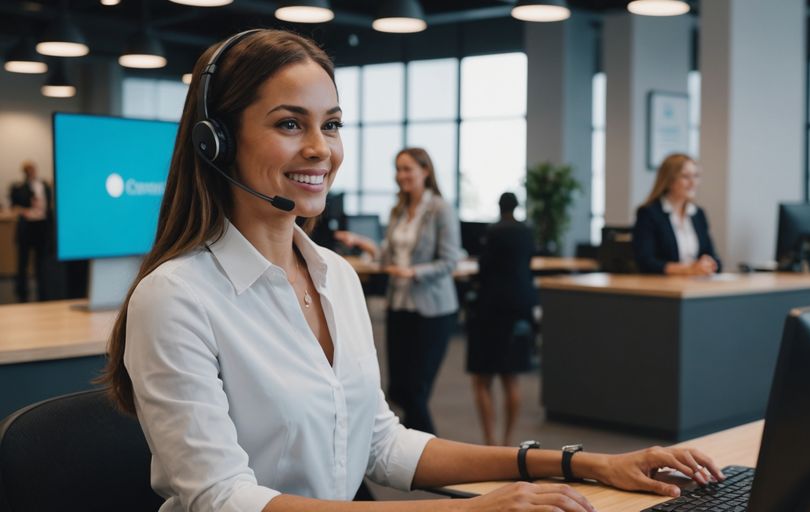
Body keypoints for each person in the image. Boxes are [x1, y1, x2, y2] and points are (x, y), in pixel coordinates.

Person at [101, 29, 723, 512]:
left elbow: (381, 445)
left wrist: (587, 464)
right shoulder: (177, 297)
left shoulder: (335, 277)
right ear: (217, 140)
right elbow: (222, 499)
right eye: (290, 124)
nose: (321, 148)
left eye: (332, 124)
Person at [378, 147, 460, 436]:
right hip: (399, 305)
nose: (401, 176)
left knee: (416, 390)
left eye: (407, 169)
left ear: (425, 171)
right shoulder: (398, 210)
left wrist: (414, 272)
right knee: (398, 389)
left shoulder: (440, 209)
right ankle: (419, 457)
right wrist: (366, 247)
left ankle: (431, 457)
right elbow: (389, 256)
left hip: (432, 309)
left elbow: (450, 261)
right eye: (398, 169)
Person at [467, 192, 537, 446]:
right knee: (511, 376)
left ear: (499, 206)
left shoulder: (494, 232)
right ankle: (508, 440)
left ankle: (490, 441)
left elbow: (484, 268)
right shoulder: (527, 231)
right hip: (520, 307)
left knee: (482, 378)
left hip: (491, 307)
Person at [632, 153, 720, 275]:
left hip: (696, 285)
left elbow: (713, 257)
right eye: (685, 177)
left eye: (696, 176)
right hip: (664, 287)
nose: (693, 183)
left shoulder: (698, 214)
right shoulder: (649, 214)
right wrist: (686, 269)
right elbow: (646, 261)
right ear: (669, 181)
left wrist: (710, 263)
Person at [8, 160, 53, 302]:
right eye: (28, 170)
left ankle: (43, 290)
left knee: (41, 262)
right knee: (23, 261)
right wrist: (25, 210)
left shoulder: (44, 185)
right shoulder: (18, 187)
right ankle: (22, 291)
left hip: (41, 228)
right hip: (26, 228)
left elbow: (48, 206)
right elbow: (15, 206)